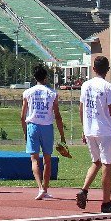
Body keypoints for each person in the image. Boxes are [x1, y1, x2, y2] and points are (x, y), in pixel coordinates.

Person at [76, 56, 111, 213]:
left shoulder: (86, 85)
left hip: (90, 129)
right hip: (104, 130)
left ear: (93, 69)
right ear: (108, 70)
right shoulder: (108, 87)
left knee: (96, 162)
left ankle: (84, 190)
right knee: (107, 164)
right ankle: (106, 203)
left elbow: (81, 108)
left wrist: (84, 129)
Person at [21, 65, 66, 201]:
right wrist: (62, 135)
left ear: (35, 78)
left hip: (32, 126)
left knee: (34, 159)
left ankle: (40, 187)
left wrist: (25, 131)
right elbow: (57, 115)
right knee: (47, 159)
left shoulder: (28, 93)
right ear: (46, 78)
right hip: (47, 126)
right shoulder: (52, 93)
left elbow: (22, 116)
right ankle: (45, 189)